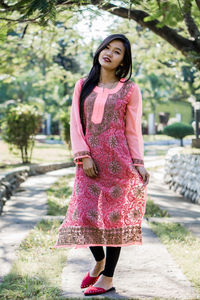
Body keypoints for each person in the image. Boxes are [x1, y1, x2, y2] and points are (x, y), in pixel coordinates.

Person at [54, 33, 150, 296]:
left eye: (117, 51)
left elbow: (133, 129)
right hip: (89, 164)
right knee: (84, 214)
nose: (109, 52)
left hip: (119, 163)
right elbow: (75, 123)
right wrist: (83, 156)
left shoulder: (129, 89)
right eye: (107, 47)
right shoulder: (82, 85)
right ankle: (99, 260)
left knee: (113, 221)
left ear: (123, 61)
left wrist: (138, 162)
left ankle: (107, 278)